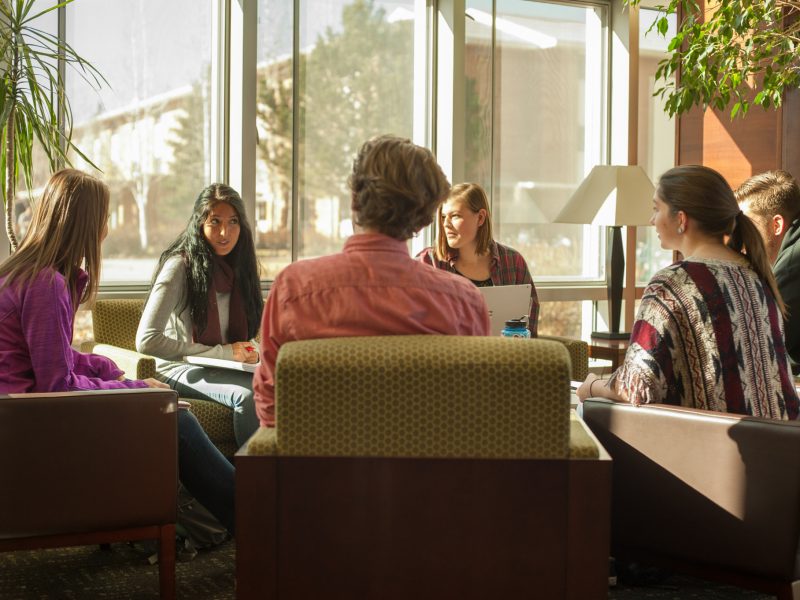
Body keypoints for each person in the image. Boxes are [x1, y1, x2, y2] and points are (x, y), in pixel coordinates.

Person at [0, 169, 235, 533]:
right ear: (85, 224)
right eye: (104, 218)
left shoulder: (29, 274)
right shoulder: (47, 284)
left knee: (168, 412)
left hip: (20, 415)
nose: (106, 229)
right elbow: (57, 385)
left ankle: (245, 516)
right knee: (174, 419)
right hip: (27, 425)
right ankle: (257, 520)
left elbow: (52, 357)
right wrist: (138, 390)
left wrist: (105, 369)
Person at [253, 135, 491, 427]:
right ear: (427, 220)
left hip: (319, 455)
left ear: (354, 201)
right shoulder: (464, 302)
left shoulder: (294, 289)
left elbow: (271, 404)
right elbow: (472, 408)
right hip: (427, 456)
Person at [576, 165, 798, 420]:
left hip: (711, 440)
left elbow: (635, 386)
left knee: (586, 409)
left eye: (656, 209)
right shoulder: (757, 277)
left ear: (681, 219)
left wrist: (592, 386)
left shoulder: (672, 282)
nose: (651, 220)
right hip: (779, 439)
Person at [137, 184, 264, 447]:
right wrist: (225, 353)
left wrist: (253, 351)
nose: (224, 232)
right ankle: (253, 473)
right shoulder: (179, 267)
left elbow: (241, 338)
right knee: (249, 395)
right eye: (215, 222)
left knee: (280, 384)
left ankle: (289, 469)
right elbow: (146, 340)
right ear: (199, 223)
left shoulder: (241, 269)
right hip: (177, 368)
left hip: (223, 367)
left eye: (233, 222)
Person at [415, 182, 539, 337]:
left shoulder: (513, 262)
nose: (446, 224)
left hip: (503, 352)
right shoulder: (427, 262)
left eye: (455, 216)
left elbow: (530, 329)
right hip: (445, 352)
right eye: (443, 217)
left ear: (480, 218)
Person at [736, 170, 800, 374]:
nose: (739, 236)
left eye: (746, 225)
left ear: (777, 225)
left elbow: (764, 345)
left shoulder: (793, 262)